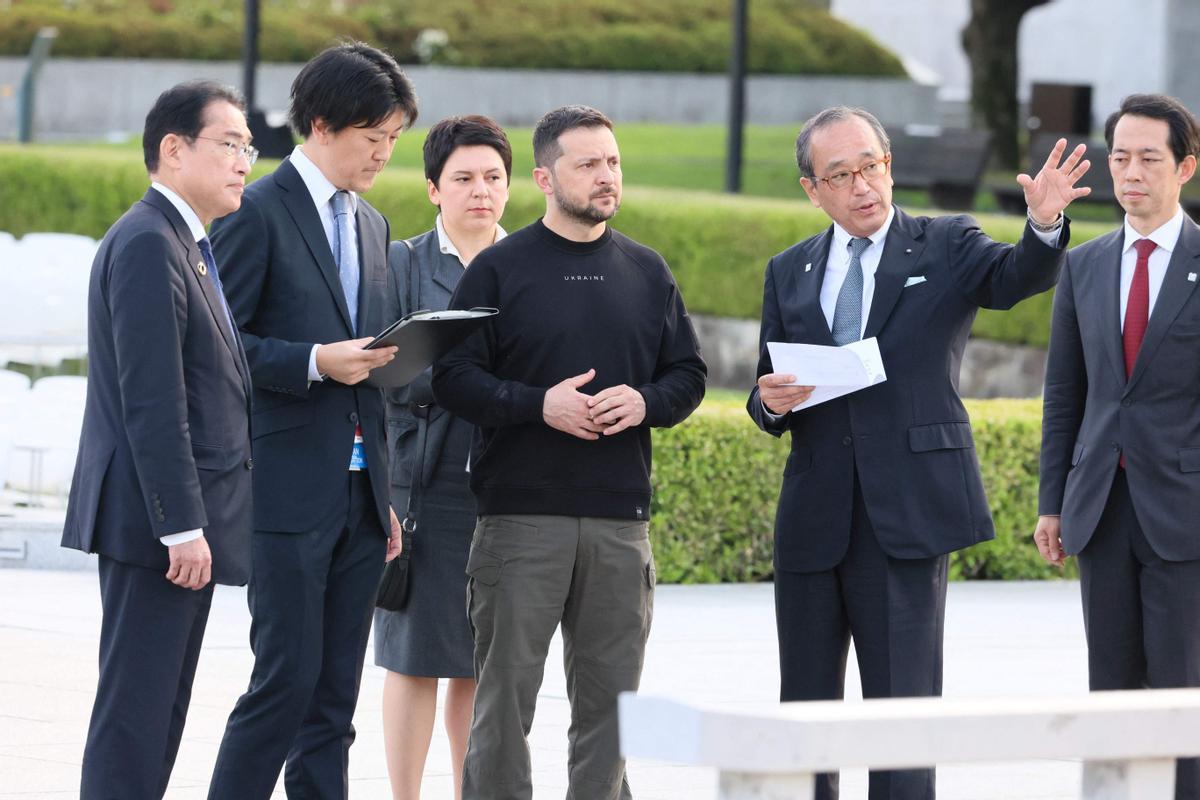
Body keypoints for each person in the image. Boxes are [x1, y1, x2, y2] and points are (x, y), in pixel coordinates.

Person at [746, 105, 1089, 800]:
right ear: (813, 189)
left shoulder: (945, 242)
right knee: (804, 714)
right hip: (814, 518)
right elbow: (766, 387)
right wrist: (768, 403)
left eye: (871, 166)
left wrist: (1045, 226)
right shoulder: (790, 270)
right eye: (841, 175)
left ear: (889, 164)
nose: (863, 185)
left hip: (905, 515)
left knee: (902, 716)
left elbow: (1014, 276)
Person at [432, 104, 707, 800]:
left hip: (621, 524)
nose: (605, 176)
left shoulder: (648, 271)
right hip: (520, 524)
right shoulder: (497, 270)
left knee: (613, 714)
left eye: (612, 161)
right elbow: (452, 378)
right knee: (503, 706)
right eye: (588, 164)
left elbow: (689, 375)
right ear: (546, 177)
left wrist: (646, 401)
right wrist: (538, 404)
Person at [204, 42, 417, 799]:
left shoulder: (373, 223)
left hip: (361, 501)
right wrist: (313, 361)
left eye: (394, 139)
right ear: (322, 125)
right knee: (283, 685)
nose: (385, 154)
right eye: (374, 138)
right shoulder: (255, 211)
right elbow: (218, 346)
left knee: (333, 700)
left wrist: (384, 494)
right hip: (285, 493)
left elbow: (375, 372)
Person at [60, 79, 255, 799]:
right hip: (157, 529)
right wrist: (182, 526)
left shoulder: (184, 242)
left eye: (248, 146)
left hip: (170, 527)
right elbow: (152, 399)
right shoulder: (149, 242)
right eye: (229, 144)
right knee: (136, 717)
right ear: (174, 149)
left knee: (158, 712)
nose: (244, 161)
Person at [1035, 93, 1200, 800]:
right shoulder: (1087, 264)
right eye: (1120, 158)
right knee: (1110, 690)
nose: (1131, 172)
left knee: (1182, 696)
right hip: (1100, 509)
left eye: (1150, 159)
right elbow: (1065, 395)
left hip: (1186, 513)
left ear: (1186, 167)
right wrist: (1052, 504)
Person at [373, 114, 512, 800]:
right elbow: (380, 371)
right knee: (413, 656)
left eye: (493, 178)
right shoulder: (401, 263)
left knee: (480, 664)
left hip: (509, 485)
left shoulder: (531, 264)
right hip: (422, 482)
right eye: (463, 178)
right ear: (433, 188)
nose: (480, 191)